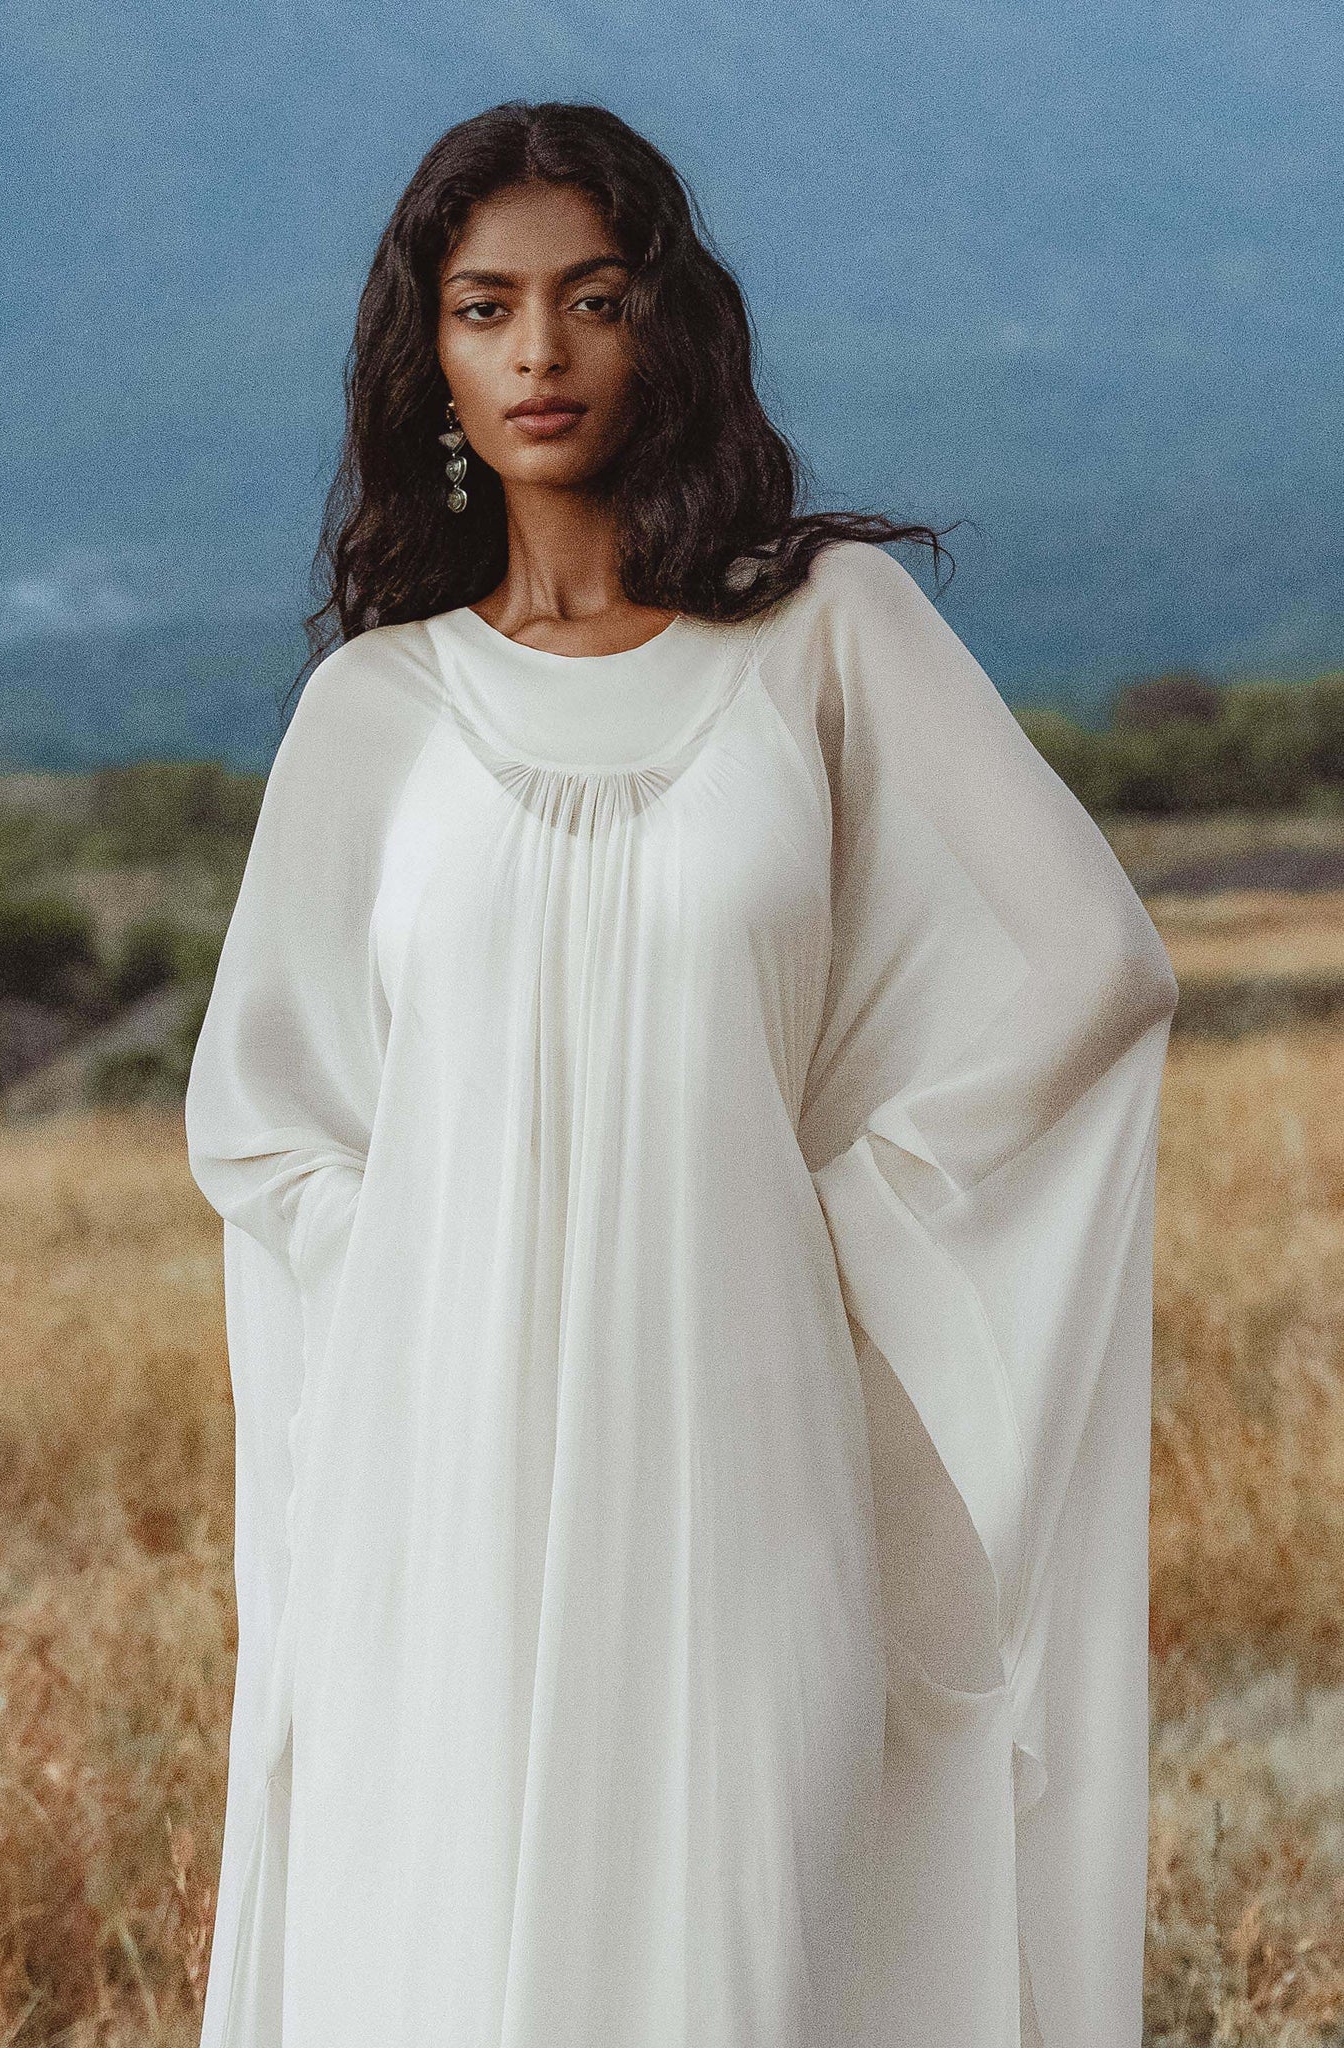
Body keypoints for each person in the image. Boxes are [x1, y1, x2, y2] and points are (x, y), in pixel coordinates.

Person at [184, 99, 1179, 2048]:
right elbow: (260, 1118)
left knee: (747, 1938)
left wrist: (818, 1223)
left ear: (669, 331)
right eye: (485, 310)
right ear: (431, 357)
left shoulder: (827, 634)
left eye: (591, 299)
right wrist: (427, 1267)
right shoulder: (370, 713)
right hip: (439, 1464)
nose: (539, 354)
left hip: (748, 1436)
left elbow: (1093, 964)